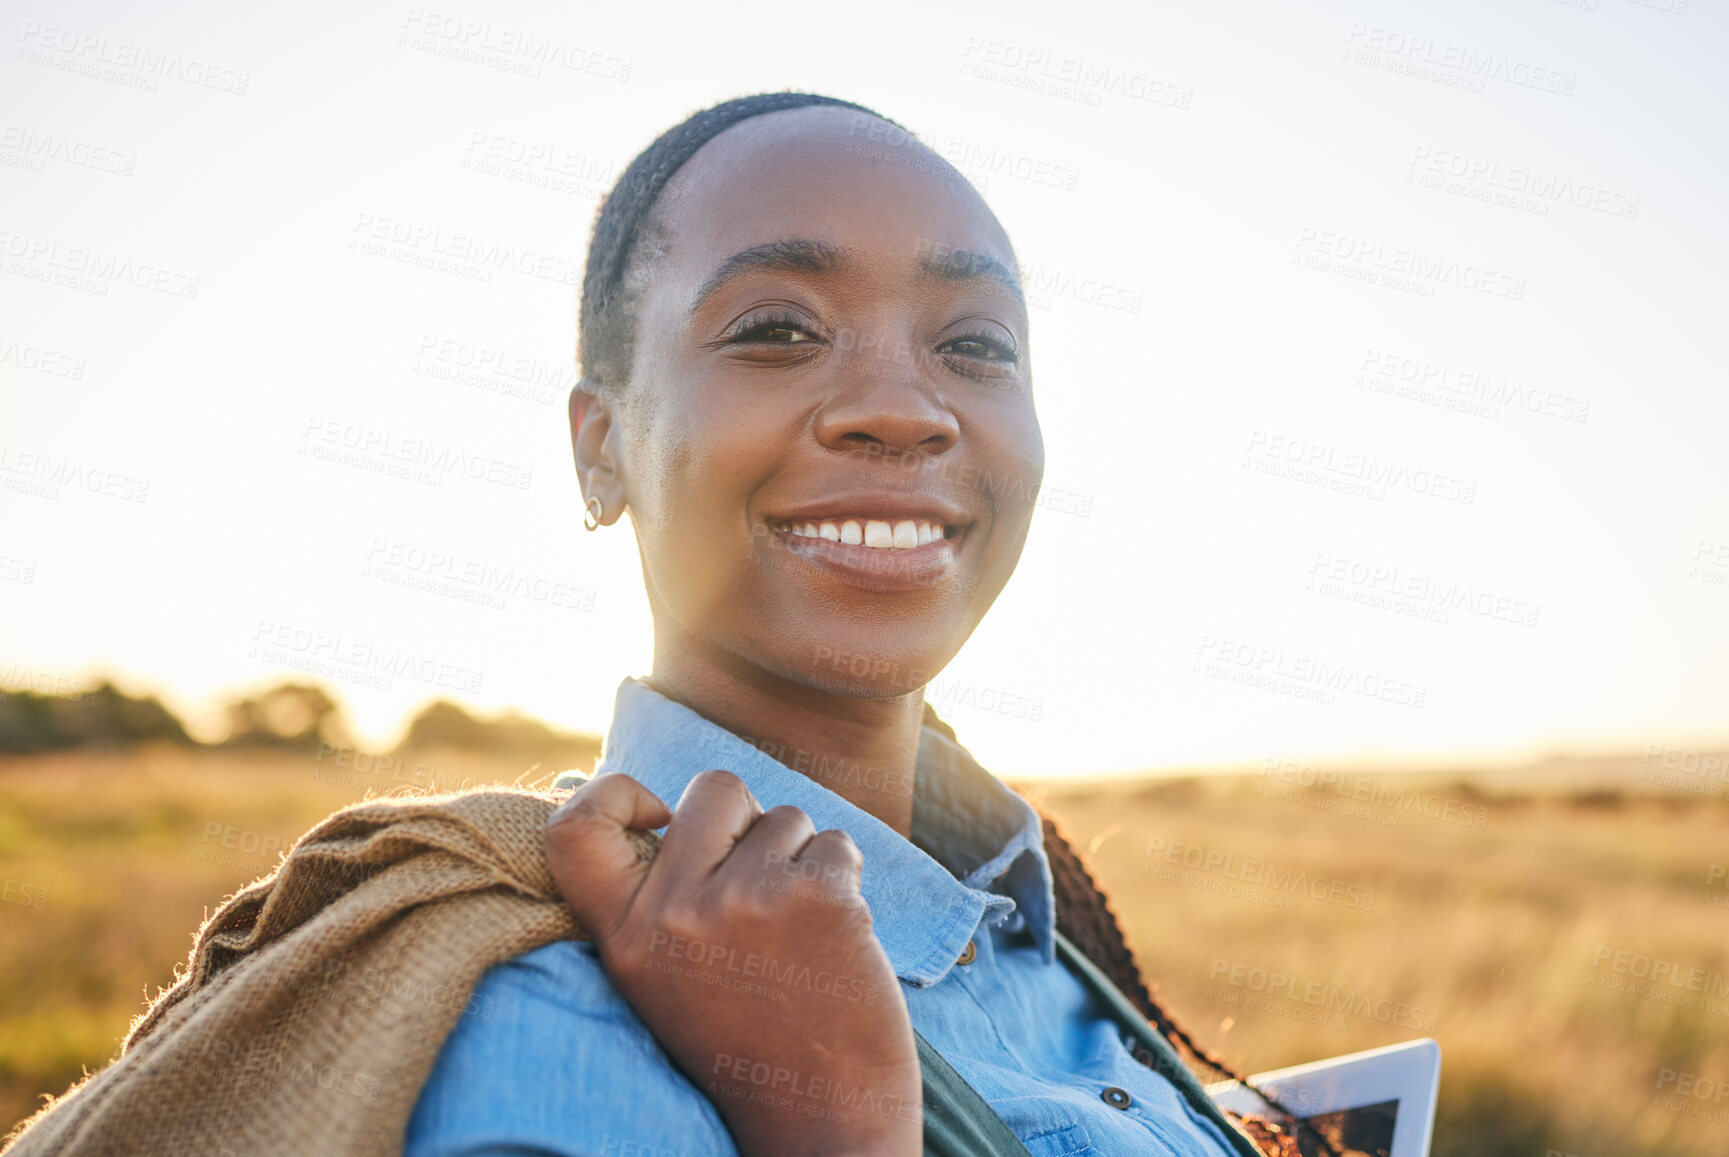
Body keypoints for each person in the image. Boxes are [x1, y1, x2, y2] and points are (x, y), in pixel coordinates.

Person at [403, 92, 1274, 1157]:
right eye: (777, 330)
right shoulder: (548, 1020)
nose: (904, 406)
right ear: (601, 445)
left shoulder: (1036, 930)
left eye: (976, 344)